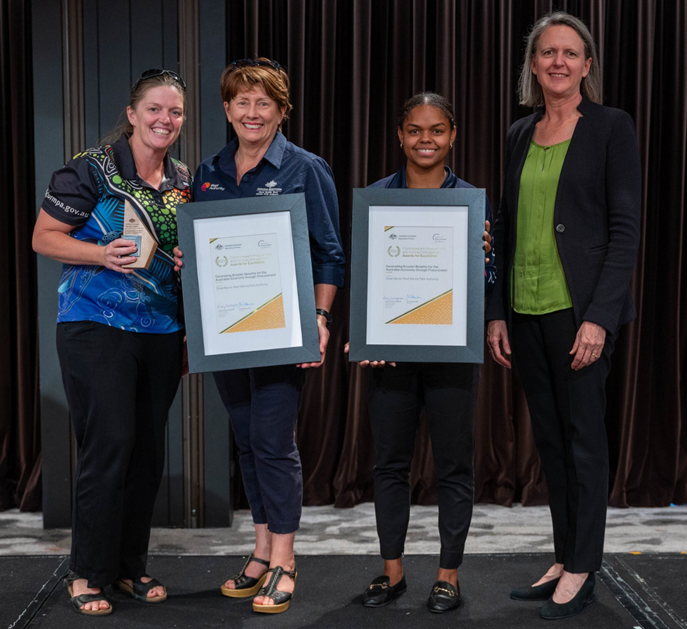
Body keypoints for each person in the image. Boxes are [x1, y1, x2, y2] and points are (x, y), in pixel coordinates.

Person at [174, 58, 345, 614]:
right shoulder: (207, 171)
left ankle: (286, 561)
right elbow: (202, 250)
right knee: (247, 442)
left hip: (284, 331)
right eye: (242, 102)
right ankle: (260, 551)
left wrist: (320, 321)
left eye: (263, 102)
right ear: (227, 109)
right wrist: (188, 259)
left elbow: (330, 253)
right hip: (226, 333)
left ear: (281, 110)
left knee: (274, 443)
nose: (252, 112)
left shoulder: (304, 167)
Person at [486, 12, 641, 620]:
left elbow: (625, 230)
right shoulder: (519, 133)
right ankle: (563, 554)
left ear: (588, 64)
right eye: (547, 52)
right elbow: (501, 225)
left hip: (580, 313)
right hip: (525, 310)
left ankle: (584, 566)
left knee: (584, 443)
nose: (558, 62)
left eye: (570, 53)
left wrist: (600, 318)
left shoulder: (611, 127)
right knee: (550, 442)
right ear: (532, 64)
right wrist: (496, 311)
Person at [32, 69, 192, 615]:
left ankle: (128, 567)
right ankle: (87, 573)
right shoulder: (91, 170)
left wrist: (183, 263)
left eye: (174, 112)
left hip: (162, 333)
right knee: (109, 447)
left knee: (146, 454)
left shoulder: (182, 179)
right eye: (154, 109)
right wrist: (101, 254)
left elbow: (182, 257)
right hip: (96, 327)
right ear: (132, 113)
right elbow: (42, 237)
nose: (164, 120)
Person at [346, 92, 495, 614]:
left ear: (452, 135)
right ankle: (392, 572)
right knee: (389, 464)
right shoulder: (377, 198)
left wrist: (483, 257)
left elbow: (489, 279)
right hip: (391, 353)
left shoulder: (472, 201)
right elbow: (362, 276)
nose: (425, 139)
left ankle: (447, 575)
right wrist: (364, 335)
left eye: (436, 130)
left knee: (455, 465)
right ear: (400, 135)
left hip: (453, 349)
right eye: (415, 130)